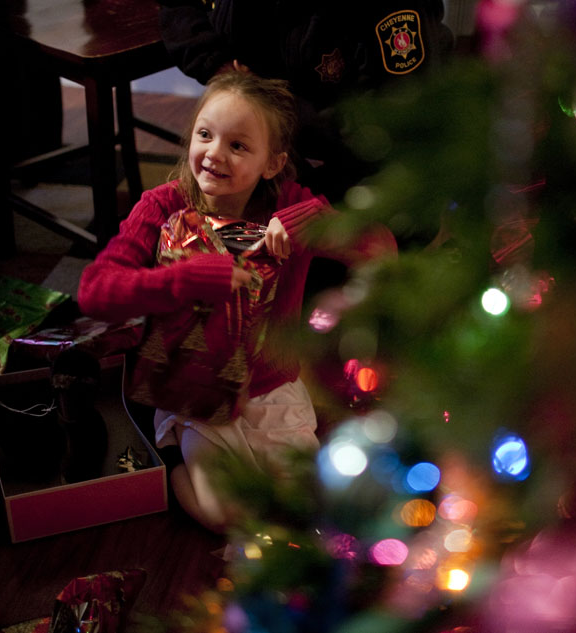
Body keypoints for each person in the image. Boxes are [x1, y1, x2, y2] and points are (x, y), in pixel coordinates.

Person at [77, 71, 397, 532]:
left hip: (272, 391)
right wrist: (185, 279)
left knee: (304, 512)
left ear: (272, 163)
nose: (213, 154)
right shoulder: (161, 206)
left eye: (238, 145)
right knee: (226, 514)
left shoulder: (288, 201)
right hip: (195, 397)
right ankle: (168, 464)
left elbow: (381, 248)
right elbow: (95, 292)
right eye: (205, 135)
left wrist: (312, 220)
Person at [157, 1, 454, 199]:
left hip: (370, 169)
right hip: (273, 144)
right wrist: (218, 67)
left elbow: (394, 126)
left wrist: (271, 113)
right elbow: (180, 8)